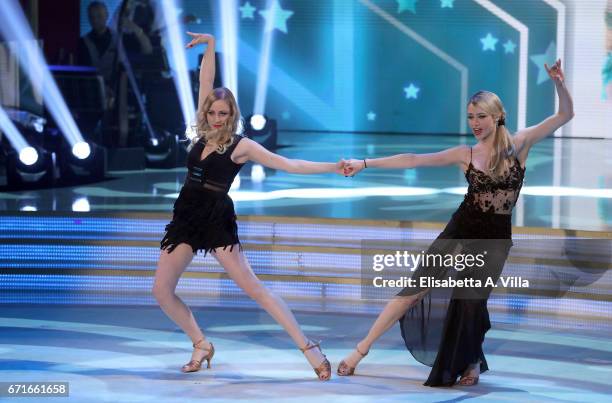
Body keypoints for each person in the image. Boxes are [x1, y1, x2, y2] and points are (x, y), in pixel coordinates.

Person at [339, 60, 574, 386]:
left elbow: (564, 116)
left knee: (471, 304)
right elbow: (413, 160)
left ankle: (473, 362)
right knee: (413, 291)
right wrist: (364, 162)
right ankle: (358, 352)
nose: (475, 123)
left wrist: (559, 84)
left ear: (497, 116)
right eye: (471, 117)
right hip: (460, 230)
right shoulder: (466, 153)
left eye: (481, 116)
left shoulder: (520, 143)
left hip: (494, 240)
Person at [152, 32, 344, 381]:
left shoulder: (242, 146)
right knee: (161, 290)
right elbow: (206, 80)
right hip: (186, 214)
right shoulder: (201, 130)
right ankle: (200, 344)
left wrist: (332, 167)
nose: (216, 118)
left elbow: (288, 165)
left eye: (223, 113)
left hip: (215, 218)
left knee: (253, 287)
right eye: (212, 111)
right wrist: (210, 45)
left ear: (232, 114)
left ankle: (308, 347)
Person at [77, 1, 153, 81]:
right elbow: (82, 73)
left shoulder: (120, 38)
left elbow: (148, 50)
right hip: (92, 89)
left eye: (99, 16)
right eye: (92, 17)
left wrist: (136, 29)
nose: (95, 20)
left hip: (117, 89)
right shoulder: (83, 42)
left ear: (106, 15)